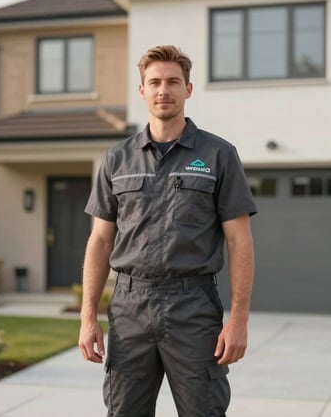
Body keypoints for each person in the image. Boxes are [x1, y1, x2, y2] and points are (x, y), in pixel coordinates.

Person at [79, 45, 257, 417]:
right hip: (128, 307)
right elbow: (99, 240)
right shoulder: (117, 159)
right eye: (155, 82)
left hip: (192, 306)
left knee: (204, 411)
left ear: (188, 90)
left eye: (173, 82)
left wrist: (239, 319)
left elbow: (239, 240)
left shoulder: (218, 155)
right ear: (142, 90)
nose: (164, 90)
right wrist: (87, 316)